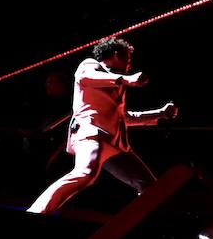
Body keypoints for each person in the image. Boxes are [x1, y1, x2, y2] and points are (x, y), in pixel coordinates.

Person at [27, 36, 177, 214]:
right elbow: (88, 77)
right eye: (127, 58)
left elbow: (123, 117)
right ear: (116, 54)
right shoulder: (91, 65)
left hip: (115, 144)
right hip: (91, 135)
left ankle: (138, 224)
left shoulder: (115, 83)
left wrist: (160, 113)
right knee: (85, 173)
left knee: (151, 187)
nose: (130, 63)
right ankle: (36, 212)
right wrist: (126, 79)